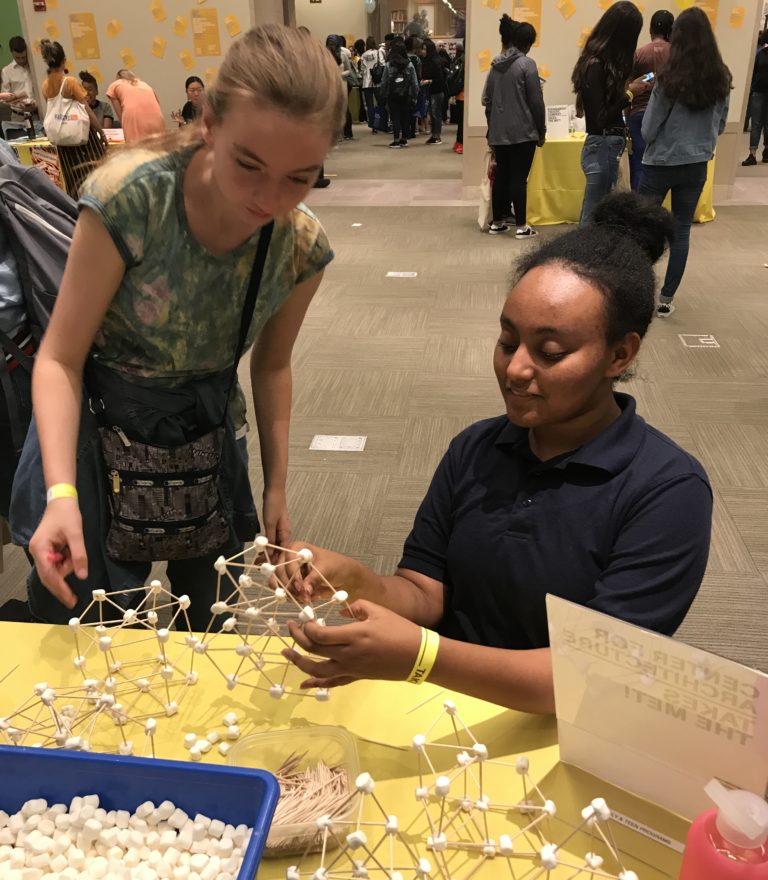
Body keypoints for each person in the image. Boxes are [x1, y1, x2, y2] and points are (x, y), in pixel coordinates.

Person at [279, 194, 712, 714]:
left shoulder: (667, 491)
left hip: (565, 732)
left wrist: (423, 659)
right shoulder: (478, 447)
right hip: (447, 712)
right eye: (508, 341)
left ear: (619, 355)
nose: (515, 370)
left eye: (550, 353)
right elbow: (425, 593)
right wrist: (356, 581)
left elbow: (589, 676)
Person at [12, 26, 345, 630]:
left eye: (300, 176)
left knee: (209, 617)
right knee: (95, 622)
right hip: (98, 428)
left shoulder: (299, 246)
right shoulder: (131, 199)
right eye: (249, 164)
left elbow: (271, 366)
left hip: (207, 432)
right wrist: (60, 493)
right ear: (209, 122)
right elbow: (60, 358)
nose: (268, 199)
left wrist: (277, 487)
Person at [639, 7, 730, 317]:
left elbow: (648, 129)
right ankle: (665, 298)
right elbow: (720, 125)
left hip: (660, 163)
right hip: (696, 164)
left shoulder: (668, 78)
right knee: (680, 232)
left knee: (644, 227)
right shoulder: (721, 78)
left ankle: (636, 290)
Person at [572, 2, 644, 222]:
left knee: (599, 212)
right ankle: (583, 256)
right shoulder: (594, 65)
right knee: (593, 214)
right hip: (601, 145)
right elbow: (599, 119)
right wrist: (629, 94)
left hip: (607, 146)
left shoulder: (599, 64)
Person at [483, 18, 545, 238]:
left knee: (501, 176)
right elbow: (536, 102)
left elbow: (488, 100)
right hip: (523, 132)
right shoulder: (527, 65)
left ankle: (497, 222)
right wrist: (541, 129)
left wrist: (492, 127)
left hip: (499, 131)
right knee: (519, 177)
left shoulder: (495, 65)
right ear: (528, 44)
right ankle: (521, 226)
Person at [40, 40, 107, 199]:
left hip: (63, 142)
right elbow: (87, 110)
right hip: (82, 139)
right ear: (64, 60)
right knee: (95, 175)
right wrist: (101, 133)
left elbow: (53, 112)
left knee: (74, 180)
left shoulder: (45, 85)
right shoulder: (69, 82)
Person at [627, 10, 674, 190]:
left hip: (638, 113)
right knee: (663, 166)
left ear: (650, 29)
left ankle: (638, 206)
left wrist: (627, 115)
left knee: (639, 163)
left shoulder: (638, 54)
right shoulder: (677, 55)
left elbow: (628, 87)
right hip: (667, 117)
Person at [106, 69, 165, 143]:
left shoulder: (115, 84)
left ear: (118, 77)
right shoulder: (145, 85)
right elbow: (157, 104)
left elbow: (120, 115)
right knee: (157, 148)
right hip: (157, 117)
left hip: (133, 115)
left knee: (135, 149)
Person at [380, 41, 418, 148]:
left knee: (395, 117)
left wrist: (382, 94)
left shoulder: (389, 65)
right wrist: (415, 95)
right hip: (406, 94)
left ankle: (396, 139)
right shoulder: (409, 64)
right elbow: (414, 82)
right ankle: (404, 139)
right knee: (405, 116)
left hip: (393, 94)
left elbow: (384, 81)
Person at [741, 31, 768, 166]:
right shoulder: (761, 54)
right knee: (756, 123)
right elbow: (753, 71)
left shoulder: (761, 54)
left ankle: (767, 151)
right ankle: (752, 154)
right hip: (758, 92)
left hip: (761, 92)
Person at [1, 37, 37, 124]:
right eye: (17, 57)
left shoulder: (35, 67)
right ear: (11, 53)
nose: (21, 60)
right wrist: (15, 99)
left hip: (37, 114)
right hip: (18, 117)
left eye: (24, 57)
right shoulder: (6, 71)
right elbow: (4, 99)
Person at [421, 39, 446, 145]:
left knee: (436, 114)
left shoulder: (435, 61)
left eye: (424, 49)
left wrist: (429, 81)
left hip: (437, 91)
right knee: (432, 113)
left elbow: (440, 78)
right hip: (431, 90)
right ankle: (434, 135)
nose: (422, 51)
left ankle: (437, 136)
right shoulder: (427, 60)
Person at [359, 36, 383, 132]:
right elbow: (382, 64)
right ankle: (380, 123)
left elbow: (362, 70)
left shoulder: (363, 55)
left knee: (370, 105)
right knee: (380, 103)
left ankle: (373, 125)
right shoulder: (378, 53)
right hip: (377, 81)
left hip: (366, 82)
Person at [449, 44, 465, 153]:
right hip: (464, 95)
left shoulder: (459, 59)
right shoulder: (467, 59)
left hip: (459, 95)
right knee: (462, 123)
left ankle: (458, 143)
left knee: (460, 122)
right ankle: (460, 144)